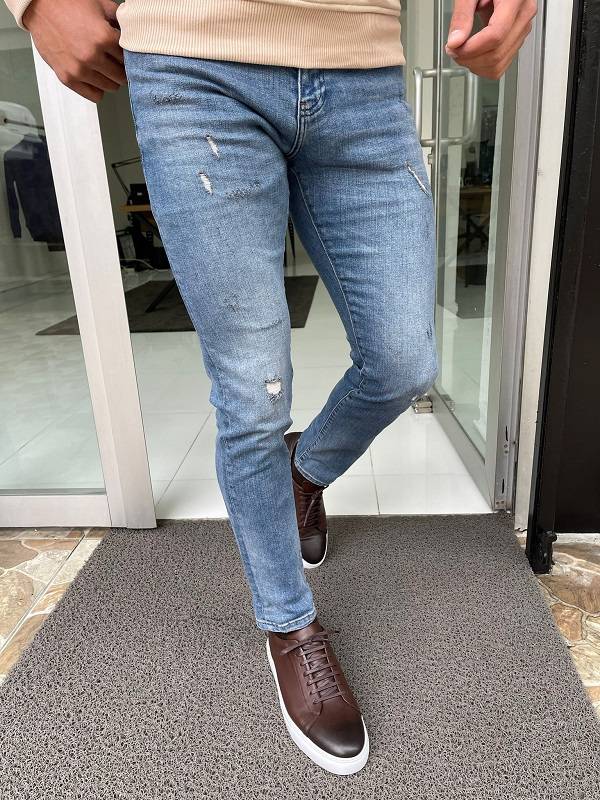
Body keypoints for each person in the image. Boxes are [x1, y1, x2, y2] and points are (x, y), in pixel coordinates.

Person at [9, 0, 536, 776]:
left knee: (403, 363)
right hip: (195, 69)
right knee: (253, 395)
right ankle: (289, 625)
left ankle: (305, 470)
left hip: (361, 73)